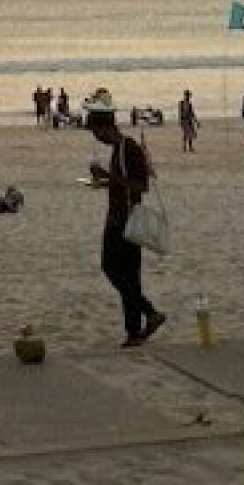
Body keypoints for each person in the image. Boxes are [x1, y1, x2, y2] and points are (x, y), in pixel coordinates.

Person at [86, 94, 165, 347]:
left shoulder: (128, 149)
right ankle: (136, 329)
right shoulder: (118, 150)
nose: (97, 138)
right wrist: (105, 181)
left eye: (96, 132)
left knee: (115, 270)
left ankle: (147, 314)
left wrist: (108, 176)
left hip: (126, 221)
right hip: (117, 218)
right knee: (126, 275)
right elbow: (123, 184)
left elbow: (140, 186)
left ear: (105, 128)